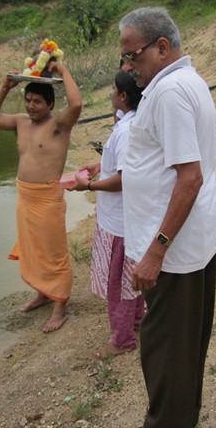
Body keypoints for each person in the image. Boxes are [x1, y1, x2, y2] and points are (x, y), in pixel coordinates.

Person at [119, 7, 216, 428]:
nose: (128, 67)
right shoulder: (185, 82)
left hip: (175, 254)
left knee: (165, 352)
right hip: (192, 243)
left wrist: (155, 253)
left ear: (162, 47)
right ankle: (183, 417)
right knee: (183, 350)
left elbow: (190, 177)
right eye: (124, 59)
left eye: (133, 56)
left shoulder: (169, 92)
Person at [0, 61, 82, 332]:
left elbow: (75, 105)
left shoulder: (59, 125)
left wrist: (63, 72)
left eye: (37, 101)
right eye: (27, 100)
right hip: (24, 196)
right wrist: (5, 87)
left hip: (47, 198)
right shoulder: (19, 122)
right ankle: (41, 293)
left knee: (54, 252)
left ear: (50, 104)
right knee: (32, 250)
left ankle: (60, 306)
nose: (30, 105)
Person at [70, 71, 145, 359]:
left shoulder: (125, 130)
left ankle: (123, 339)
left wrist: (87, 185)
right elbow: (123, 163)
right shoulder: (131, 123)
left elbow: (126, 178)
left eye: (113, 89)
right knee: (129, 280)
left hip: (120, 223)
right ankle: (136, 323)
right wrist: (100, 163)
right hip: (125, 220)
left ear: (123, 96)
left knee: (120, 284)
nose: (110, 93)